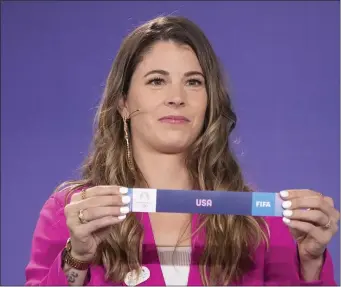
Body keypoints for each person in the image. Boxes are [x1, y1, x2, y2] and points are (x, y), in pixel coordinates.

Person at [25, 15, 339, 286]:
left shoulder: (262, 225)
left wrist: (311, 263)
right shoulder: (72, 211)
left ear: (209, 102)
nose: (177, 97)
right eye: (156, 81)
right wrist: (77, 258)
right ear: (123, 103)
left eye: (193, 82)